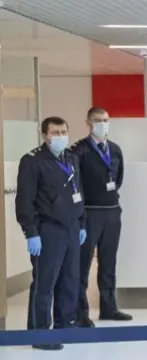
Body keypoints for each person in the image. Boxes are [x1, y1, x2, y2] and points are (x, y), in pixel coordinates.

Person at [15, 116, 86, 350]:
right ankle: (40, 333)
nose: (60, 136)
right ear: (44, 135)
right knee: (45, 283)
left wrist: (82, 223)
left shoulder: (72, 158)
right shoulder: (33, 161)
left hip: (71, 228)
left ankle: (65, 325)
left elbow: (79, 193)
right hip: (47, 229)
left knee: (69, 280)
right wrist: (30, 231)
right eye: (55, 133)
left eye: (63, 132)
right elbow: (24, 200)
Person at [70, 107, 131, 327]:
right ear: (88, 122)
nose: (102, 124)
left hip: (112, 211)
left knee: (109, 261)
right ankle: (79, 312)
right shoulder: (79, 151)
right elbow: (75, 183)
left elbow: (119, 177)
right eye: (97, 120)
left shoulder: (114, 149)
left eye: (105, 120)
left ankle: (109, 308)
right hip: (89, 212)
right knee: (83, 263)